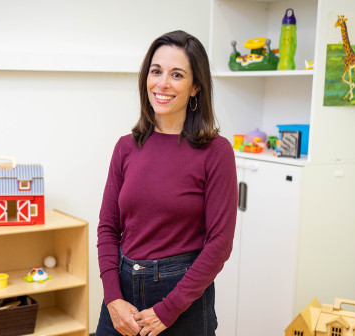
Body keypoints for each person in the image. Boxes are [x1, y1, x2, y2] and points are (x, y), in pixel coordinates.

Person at [96, 30, 238, 336]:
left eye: (177, 74)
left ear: (195, 86)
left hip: (182, 299)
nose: (162, 84)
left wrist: (168, 309)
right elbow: (108, 227)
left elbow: (219, 245)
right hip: (121, 298)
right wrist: (112, 298)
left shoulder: (216, 151)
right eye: (156, 71)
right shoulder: (126, 147)